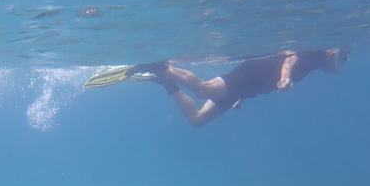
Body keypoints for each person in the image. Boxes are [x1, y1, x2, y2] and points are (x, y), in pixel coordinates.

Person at [84, 48, 349, 128]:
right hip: (249, 74)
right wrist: (285, 78)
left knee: (197, 120)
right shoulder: (313, 55)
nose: (334, 67)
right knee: (202, 90)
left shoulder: (315, 65)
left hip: (247, 88)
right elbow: (289, 59)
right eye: (338, 61)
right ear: (330, 53)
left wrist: (240, 96)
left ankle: (165, 81)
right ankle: (159, 66)